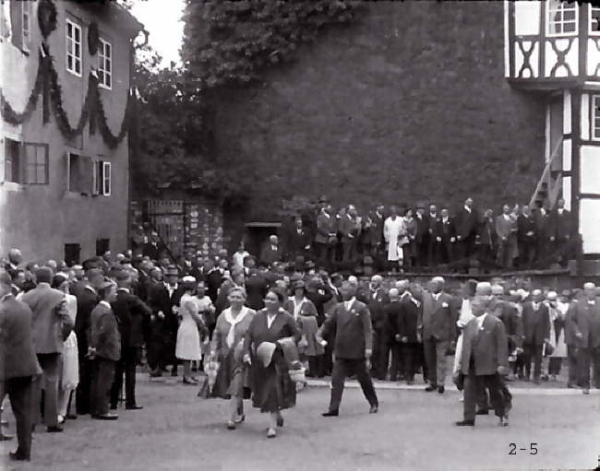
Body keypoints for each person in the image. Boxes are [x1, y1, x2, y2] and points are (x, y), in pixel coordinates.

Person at [21, 267, 73, 433]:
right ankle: (52, 421)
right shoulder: (58, 296)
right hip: (51, 343)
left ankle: (31, 420)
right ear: (51, 279)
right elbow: (68, 321)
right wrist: (62, 336)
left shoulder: (26, 297)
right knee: (52, 382)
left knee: (33, 382)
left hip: (32, 344)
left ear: (36, 279)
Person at [243, 289, 301, 438]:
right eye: (267, 299)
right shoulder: (258, 316)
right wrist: (246, 352)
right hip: (259, 359)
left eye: (273, 299)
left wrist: (283, 343)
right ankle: (276, 413)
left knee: (274, 389)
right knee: (263, 391)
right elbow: (249, 335)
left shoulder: (286, 317)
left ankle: (272, 427)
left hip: (277, 359)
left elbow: (297, 335)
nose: (269, 302)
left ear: (280, 302)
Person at [317, 281, 379, 417]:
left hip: (357, 351)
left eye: (345, 290)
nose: (343, 293)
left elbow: (368, 329)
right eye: (342, 290)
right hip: (341, 350)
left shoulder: (362, 308)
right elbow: (328, 324)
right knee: (336, 380)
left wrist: (368, 348)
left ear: (352, 292)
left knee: (364, 379)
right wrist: (320, 333)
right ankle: (333, 408)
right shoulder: (338, 308)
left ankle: (373, 402)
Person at [0, 271, 41, 462]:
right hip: (25, 366)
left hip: (4, 368)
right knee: (23, 411)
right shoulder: (24, 307)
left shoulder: (2, 310)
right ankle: (25, 451)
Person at [454, 294, 509, 427]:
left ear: (484, 307)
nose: (473, 308)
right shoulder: (470, 324)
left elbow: (502, 345)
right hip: (471, 363)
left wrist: (502, 364)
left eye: (476, 306)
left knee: (495, 392)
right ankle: (468, 418)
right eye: (472, 306)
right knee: (469, 390)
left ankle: (502, 414)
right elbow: (466, 346)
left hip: (489, 363)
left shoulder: (495, 323)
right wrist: (461, 363)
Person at [212, 287, 256, 429]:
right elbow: (217, 333)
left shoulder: (251, 314)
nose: (236, 300)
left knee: (236, 384)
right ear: (228, 298)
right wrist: (213, 352)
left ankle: (231, 418)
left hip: (242, 355)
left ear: (244, 299)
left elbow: (256, 334)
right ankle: (239, 410)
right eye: (233, 297)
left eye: (239, 297)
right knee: (232, 385)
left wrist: (249, 350)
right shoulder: (223, 315)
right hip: (225, 355)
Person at [109, 270, 152, 411]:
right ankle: (130, 400)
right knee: (130, 370)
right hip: (132, 339)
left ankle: (114, 401)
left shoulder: (113, 299)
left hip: (118, 337)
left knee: (117, 370)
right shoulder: (132, 299)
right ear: (127, 281)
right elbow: (147, 311)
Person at [419, 277, 458, 393]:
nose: (432, 287)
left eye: (435, 285)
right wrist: (419, 329)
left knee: (441, 359)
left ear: (441, 286)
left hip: (442, 334)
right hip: (428, 333)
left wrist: (452, 336)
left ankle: (441, 383)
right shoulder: (425, 297)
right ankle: (432, 382)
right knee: (429, 359)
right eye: (432, 284)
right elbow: (420, 315)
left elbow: (453, 318)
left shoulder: (449, 299)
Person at [88, 281, 120, 420]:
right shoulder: (106, 311)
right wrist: (98, 347)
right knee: (105, 381)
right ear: (107, 294)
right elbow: (103, 333)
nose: (116, 294)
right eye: (114, 291)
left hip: (100, 350)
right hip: (107, 350)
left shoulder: (97, 310)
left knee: (99, 380)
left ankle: (97, 408)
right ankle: (102, 409)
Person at [51, 274, 79, 425]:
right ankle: (58, 410)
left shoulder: (71, 299)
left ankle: (62, 410)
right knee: (60, 374)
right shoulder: (63, 299)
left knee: (66, 376)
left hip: (65, 338)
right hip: (61, 336)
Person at [566, 283, 600, 394]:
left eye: (593, 289)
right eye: (589, 290)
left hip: (598, 338)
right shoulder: (578, 304)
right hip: (584, 338)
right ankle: (585, 385)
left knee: (598, 362)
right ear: (585, 291)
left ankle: (598, 383)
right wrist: (577, 331)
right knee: (584, 363)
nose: (592, 292)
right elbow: (571, 320)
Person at [284, 280, 322, 378]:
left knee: (304, 350)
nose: (299, 292)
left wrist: (304, 319)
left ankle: (305, 370)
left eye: (301, 290)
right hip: (289, 329)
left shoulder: (308, 303)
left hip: (303, 330)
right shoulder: (289, 301)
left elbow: (314, 317)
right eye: (297, 289)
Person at [176, 277, 207, 385]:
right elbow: (195, 315)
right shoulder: (188, 300)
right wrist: (203, 325)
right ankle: (187, 375)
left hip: (188, 324)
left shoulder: (184, 298)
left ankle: (188, 374)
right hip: (189, 325)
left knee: (189, 351)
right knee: (187, 351)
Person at [521, 289, 551, 384]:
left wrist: (546, 336)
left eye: (537, 295)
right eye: (534, 295)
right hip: (528, 335)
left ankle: (536, 376)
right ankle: (527, 374)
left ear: (540, 297)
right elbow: (522, 321)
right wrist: (522, 334)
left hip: (539, 336)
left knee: (538, 358)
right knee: (527, 356)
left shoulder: (544, 308)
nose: (535, 297)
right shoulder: (526, 307)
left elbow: (547, 323)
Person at [383, 206, 406, 271]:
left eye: (395, 212)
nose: (393, 214)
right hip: (391, 240)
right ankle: (393, 267)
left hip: (399, 239)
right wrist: (387, 239)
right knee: (391, 255)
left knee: (400, 254)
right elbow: (385, 231)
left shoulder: (401, 220)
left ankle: (401, 268)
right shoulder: (387, 221)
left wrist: (402, 235)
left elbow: (404, 228)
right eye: (392, 212)